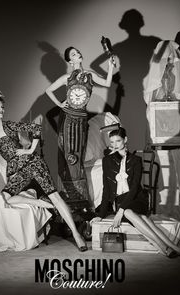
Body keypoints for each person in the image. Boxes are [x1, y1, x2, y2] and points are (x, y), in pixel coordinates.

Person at [0, 92, 87, 251]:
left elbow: (35, 127)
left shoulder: (9, 125)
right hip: (16, 170)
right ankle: (41, 203)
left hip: (32, 163)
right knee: (5, 199)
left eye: (2, 107)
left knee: (54, 195)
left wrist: (30, 150)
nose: (1, 109)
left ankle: (76, 235)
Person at [91, 126, 180, 258]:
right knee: (142, 218)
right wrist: (101, 214)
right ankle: (174, 248)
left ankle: (167, 248)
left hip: (137, 199)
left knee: (130, 212)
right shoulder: (107, 161)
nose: (115, 145)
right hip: (120, 201)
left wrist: (120, 211)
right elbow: (106, 189)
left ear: (125, 140)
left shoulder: (136, 160)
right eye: (112, 142)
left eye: (118, 141)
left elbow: (134, 189)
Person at [45, 46, 117, 203]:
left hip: (82, 120)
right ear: (70, 61)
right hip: (68, 120)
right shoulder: (67, 77)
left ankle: (80, 199)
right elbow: (48, 90)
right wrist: (59, 104)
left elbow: (107, 83)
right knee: (71, 158)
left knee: (78, 157)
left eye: (78, 52)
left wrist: (110, 67)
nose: (78, 54)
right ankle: (75, 200)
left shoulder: (90, 75)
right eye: (73, 54)